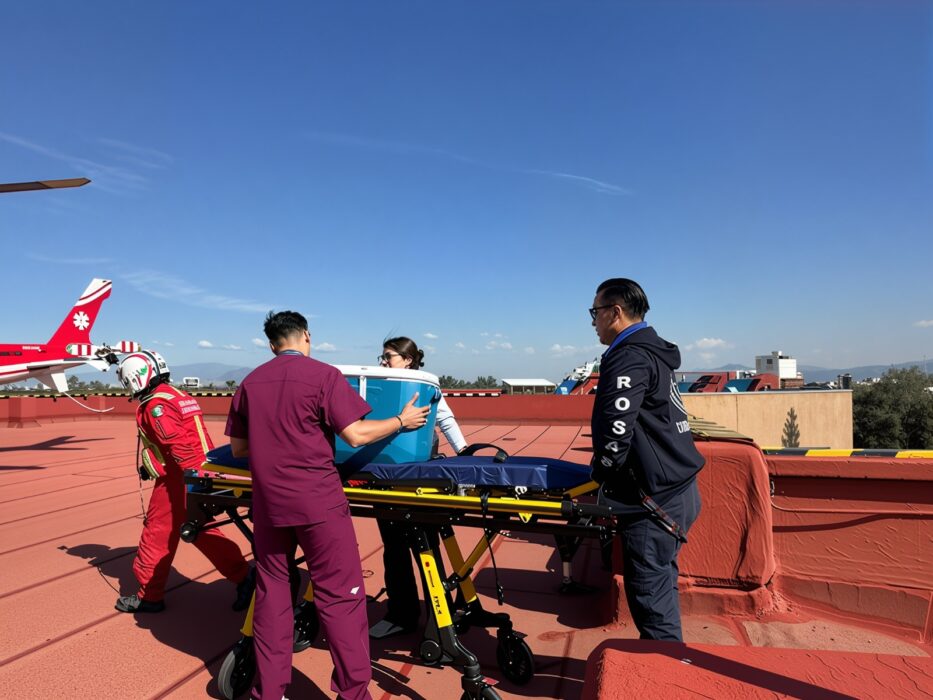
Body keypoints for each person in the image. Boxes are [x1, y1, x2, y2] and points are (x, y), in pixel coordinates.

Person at [226, 311, 429, 700]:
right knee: (340, 597)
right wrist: (401, 421)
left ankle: (269, 692)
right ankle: (352, 694)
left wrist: (276, 441)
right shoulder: (323, 375)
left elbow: (238, 448)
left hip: (270, 504)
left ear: (271, 344)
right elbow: (356, 435)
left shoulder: (250, 382)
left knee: (271, 595)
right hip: (318, 504)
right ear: (306, 336)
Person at [588, 278, 703, 641]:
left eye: (595, 312)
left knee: (652, 604)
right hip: (679, 489)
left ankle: (666, 666)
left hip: (653, 500)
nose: (593, 322)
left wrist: (602, 476)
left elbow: (616, 428)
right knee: (661, 584)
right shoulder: (653, 351)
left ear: (615, 312)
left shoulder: (630, 356)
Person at [114, 350, 254, 614]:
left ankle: (149, 595)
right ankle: (244, 576)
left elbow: (178, 446)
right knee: (201, 530)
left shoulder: (156, 405)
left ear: (135, 376)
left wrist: (192, 479)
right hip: (199, 472)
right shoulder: (178, 395)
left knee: (157, 533)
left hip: (179, 480)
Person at [368, 336, 467, 640]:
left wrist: (465, 455)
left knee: (425, 546)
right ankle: (401, 614)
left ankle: (441, 616)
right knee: (394, 549)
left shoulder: (425, 386)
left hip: (417, 480)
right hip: (384, 478)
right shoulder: (380, 386)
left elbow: (446, 420)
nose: (383, 362)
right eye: (382, 357)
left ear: (408, 360)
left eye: (389, 356)